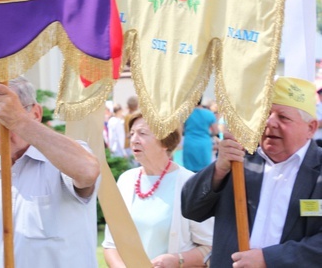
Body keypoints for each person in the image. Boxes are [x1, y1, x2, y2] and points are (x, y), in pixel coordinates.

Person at [0, 77, 100, 267]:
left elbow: (88, 171)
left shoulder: (60, 163)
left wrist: (20, 123)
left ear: (35, 113)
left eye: (5, 115)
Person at [181, 77, 322, 267]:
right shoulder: (239, 159)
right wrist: (219, 169)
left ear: (311, 128)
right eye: (266, 114)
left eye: (283, 117)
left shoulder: (318, 170)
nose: (270, 122)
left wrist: (269, 259)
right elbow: (191, 208)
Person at [102, 111, 213, 267]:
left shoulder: (189, 184)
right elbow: (110, 243)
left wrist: (177, 260)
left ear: (165, 142)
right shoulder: (125, 180)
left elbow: (210, 247)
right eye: (132, 133)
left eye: (142, 133)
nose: (133, 140)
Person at [182, 98, 217, 172]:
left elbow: (182, 130)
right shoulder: (209, 114)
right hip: (204, 143)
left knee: (188, 172)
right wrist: (208, 134)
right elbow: (216, 131)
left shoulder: (185, 114)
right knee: (205, 172)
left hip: (190, 143)